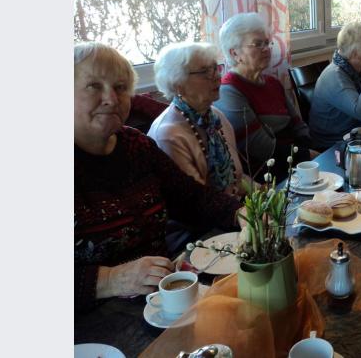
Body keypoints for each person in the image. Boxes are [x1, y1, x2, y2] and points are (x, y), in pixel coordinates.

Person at [74, 42, 240, 312]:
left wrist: (240, 213)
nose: (111, 99)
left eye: (120, 87)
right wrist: (110, 279)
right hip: (94, 323)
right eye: (94, 86)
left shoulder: (136, 146)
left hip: (165, 298)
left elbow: (191, 198)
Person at [214, 13, 312, 182]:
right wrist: (308, 156)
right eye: (257, 44)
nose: (266, 48)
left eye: (267, 43)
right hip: (267, 175)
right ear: (235, 53)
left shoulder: (273, 82)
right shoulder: (229, 91)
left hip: (297, 162)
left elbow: (298, 125)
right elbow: (262, 149)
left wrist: (309, 153)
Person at [147, 42, 249, 197]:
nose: (217, 76)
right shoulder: (168, 135)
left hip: (235, 206)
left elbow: (238, 180)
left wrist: (270, 195)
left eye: (215, 67)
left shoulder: (215, 116)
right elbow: (197, 200)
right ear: (178, 84)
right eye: (204, 71)